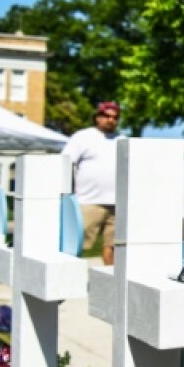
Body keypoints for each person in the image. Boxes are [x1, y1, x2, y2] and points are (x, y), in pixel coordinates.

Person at [61, 101, 123, 265]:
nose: (111, 120)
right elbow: (66, 163)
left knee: (114, 247)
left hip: (117, 204)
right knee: (75, 245)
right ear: (97, 117)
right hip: (87, 201)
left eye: (115, 117)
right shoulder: (83, 137)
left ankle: (111, 285)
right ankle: (69, 281)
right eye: (107, 116)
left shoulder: (122, 140)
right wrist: (66, 194)